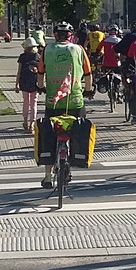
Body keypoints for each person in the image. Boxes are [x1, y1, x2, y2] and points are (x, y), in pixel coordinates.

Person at [35, 22, 93, 188]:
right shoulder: (79, 50)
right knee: (77, 131)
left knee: (49, 136)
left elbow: (40, 73)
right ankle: (74, 158)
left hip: (53, 101)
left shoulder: (47, 50)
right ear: (70, 36)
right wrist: (87, 91)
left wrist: (40, 87)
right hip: (74, 101)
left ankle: (47, 176)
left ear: (55, 35)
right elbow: (88, 74)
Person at [14, 38, 41, 132]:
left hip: (24, 82)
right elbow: (41, 72)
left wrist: (16, 84)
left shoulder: (22, 57)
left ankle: (25, 121)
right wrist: (41, 84)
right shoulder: (37, 56)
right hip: (34, 82)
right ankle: (32, 124)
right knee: (34, 103)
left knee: (26, 102)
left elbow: (19, 71)